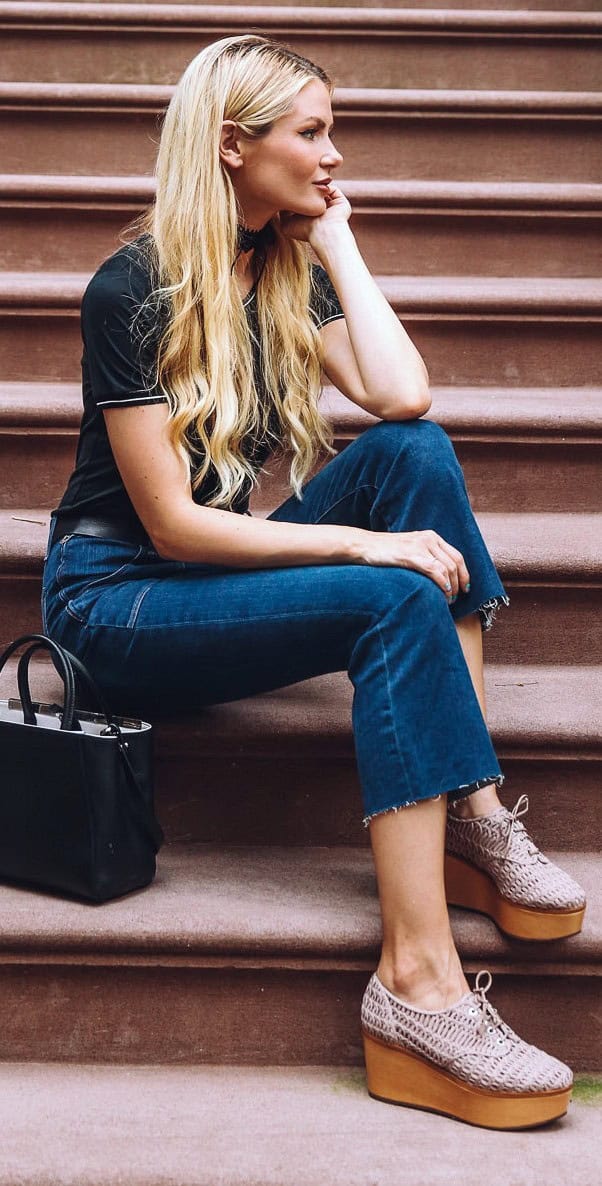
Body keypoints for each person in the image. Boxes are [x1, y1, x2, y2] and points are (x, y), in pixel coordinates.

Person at [41, 35, 586, 1129]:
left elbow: (401, 394)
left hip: (211, 585)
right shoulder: (134, 286)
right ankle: (417, 988)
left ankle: (469, 811)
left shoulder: (275, 265)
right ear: (232, 146)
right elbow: (175, 526)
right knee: (391, 590)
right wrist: (359, 547)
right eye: (310, 133)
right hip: (120, 603)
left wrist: (335, 243)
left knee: (413, 454)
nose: (332, 154)